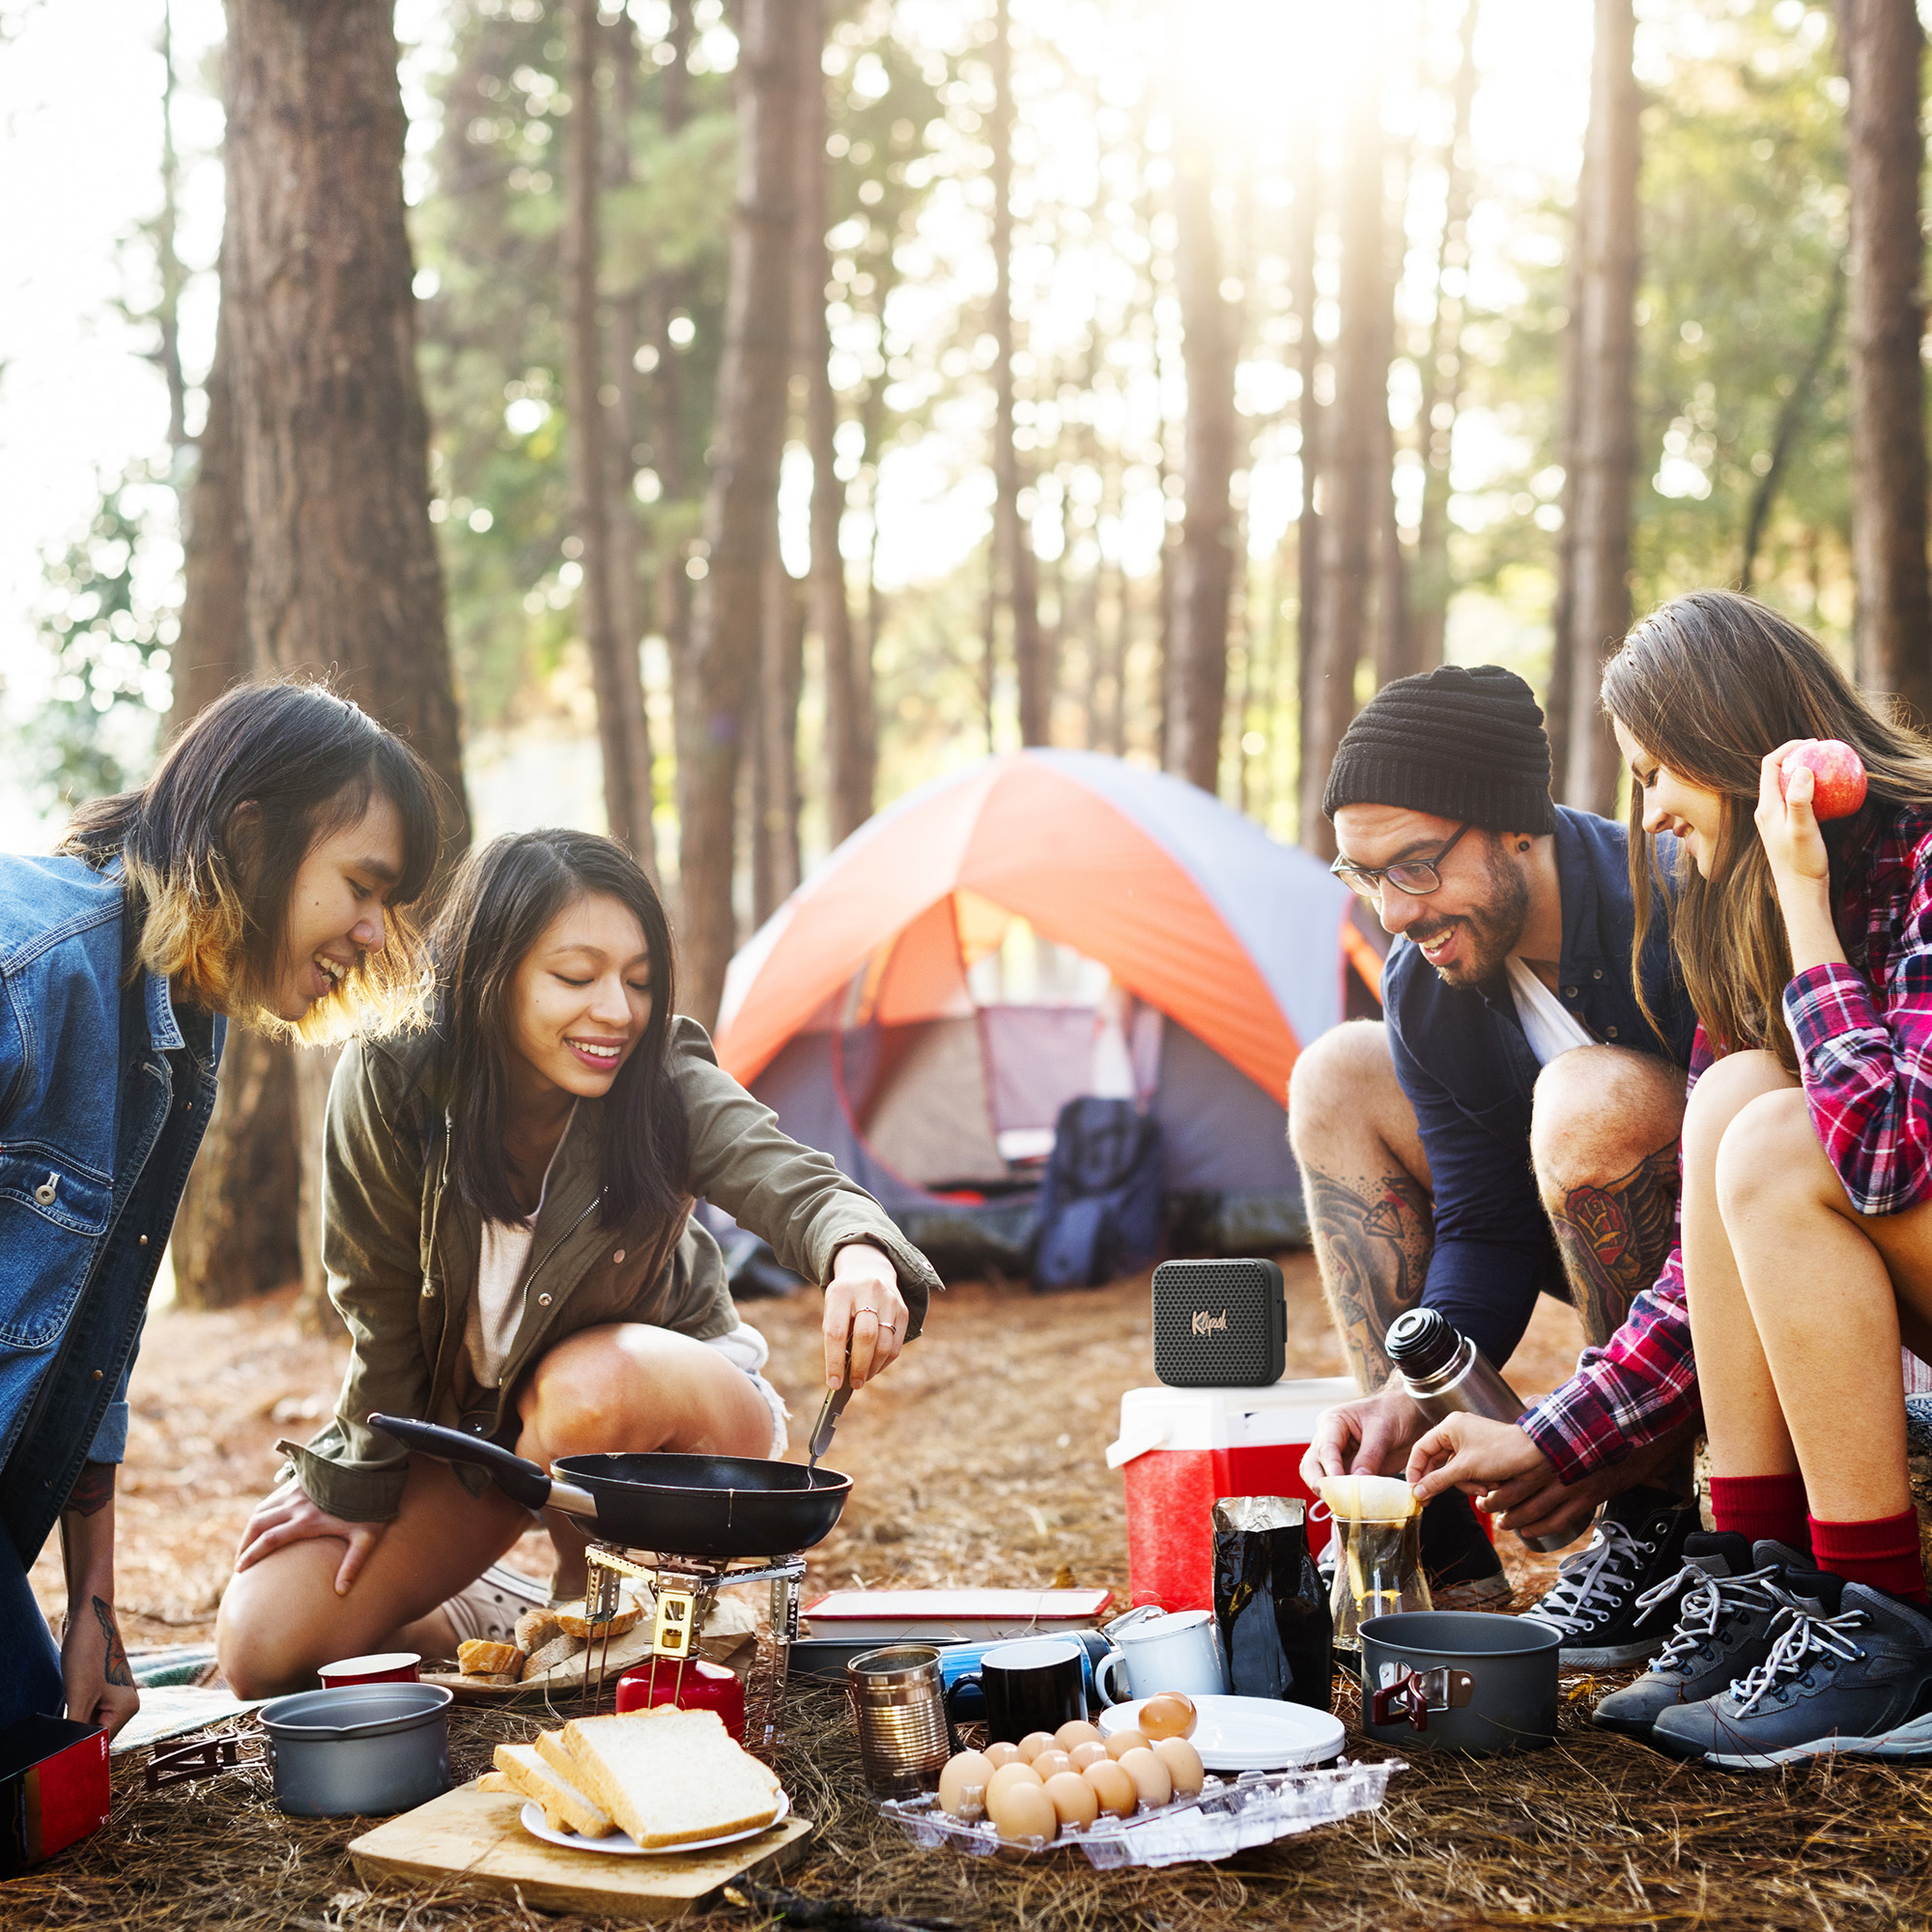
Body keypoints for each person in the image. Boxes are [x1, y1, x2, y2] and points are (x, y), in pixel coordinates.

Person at [216, 828, 943, 1695]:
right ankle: (486, 1608)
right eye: (575, 977)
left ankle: (592, 1597)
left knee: (588, 1392)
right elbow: (377, 1312)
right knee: (265, 1651)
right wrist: (355, 1479)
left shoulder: (661, 1075)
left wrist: (858, 1254)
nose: (616, 1011)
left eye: (637, 981)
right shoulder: (392, 1074)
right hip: (490, 1444)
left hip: (675, 1424)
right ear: (491, 975)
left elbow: (792, 1179)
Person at [1410, 590, 1932, 1764]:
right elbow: (1703, 1260)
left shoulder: (1917, 858)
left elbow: (1886, 1153)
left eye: (1655, 773)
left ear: (1725, 745)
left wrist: (1805, 903)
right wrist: (1559, 1433)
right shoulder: (1742, 903)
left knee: (1771, 1132)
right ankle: (1764, 1580)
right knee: (1731, 1099)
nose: (1644, 813)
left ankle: (1883, 1622)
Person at [0, 681, 442, 1738]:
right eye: (361, 885)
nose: (377, 932)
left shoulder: (186, 1033)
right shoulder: (31, 963)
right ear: (250, 836)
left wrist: (94, 1614)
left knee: (43, 1772)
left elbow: (93, 1343)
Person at [1293, 663, 1705, 1660]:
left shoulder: (1675, 905)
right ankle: (1436, 1549)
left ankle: (1653, 1528)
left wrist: (1586, 1431)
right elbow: (1480, 1223)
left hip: (1740, 1267)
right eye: (1363, 874)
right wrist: (1405, 1394)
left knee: (1586, 1097)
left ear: (1515, 824)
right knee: (1335, 1072)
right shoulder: (1427, 983)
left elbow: (1759, 1195)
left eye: (1414, 865)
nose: (1392, 911)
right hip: (1583, 1243)